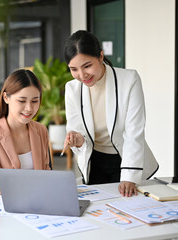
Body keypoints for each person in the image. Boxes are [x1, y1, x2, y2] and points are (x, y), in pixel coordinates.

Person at [63, 30, 158, 197]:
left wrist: (129, 176)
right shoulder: (72, 89)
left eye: (87, 66)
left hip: (125, 158)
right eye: (74, 69)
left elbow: (134, 132)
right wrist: (77, 140)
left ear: (101, 56)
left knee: (129, 210)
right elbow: (79, 133)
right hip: (95, 161)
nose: (82, 75)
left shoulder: (129, 80)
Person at [0, 69, 51, 196]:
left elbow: (46, 174)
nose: (29, 108)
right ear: (6, 98)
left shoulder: (41, 130)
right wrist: (17, 184)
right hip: (1, 207)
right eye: (22, 101)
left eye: (35, 101)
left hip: (37, 203)